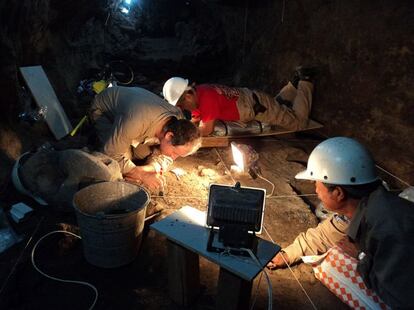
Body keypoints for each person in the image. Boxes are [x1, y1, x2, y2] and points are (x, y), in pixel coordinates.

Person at [267, 137, 414, 308]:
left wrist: (360, 256)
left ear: (338, 193)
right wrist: (287, 254)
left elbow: (399, 298)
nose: (315, 190)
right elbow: (326, 233)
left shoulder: (389, 229)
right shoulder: (361, 205)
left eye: (317, 184)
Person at [89, 86, 201, 191]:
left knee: (141, 155)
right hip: (104, 112)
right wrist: (142, 175)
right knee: (118, 165)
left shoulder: (179, 120)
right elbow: (111, 155)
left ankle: (128, 146)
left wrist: (147, 168)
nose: (173, 158)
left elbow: (164, 159)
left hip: (136, 119)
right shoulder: (135, 121)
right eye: (174, 153)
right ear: (169, 136)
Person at [162, 67, 317, 136]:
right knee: (276, 109)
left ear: (188, 96)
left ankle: (305, 80)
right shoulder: (199, 93)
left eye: (181, 105)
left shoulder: (207, 98)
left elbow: (206, 130)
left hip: (256, 105)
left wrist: (185, 136)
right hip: (251, 101)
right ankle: (293, 86)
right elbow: (196, 118)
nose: (183, 108)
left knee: (298, 123)